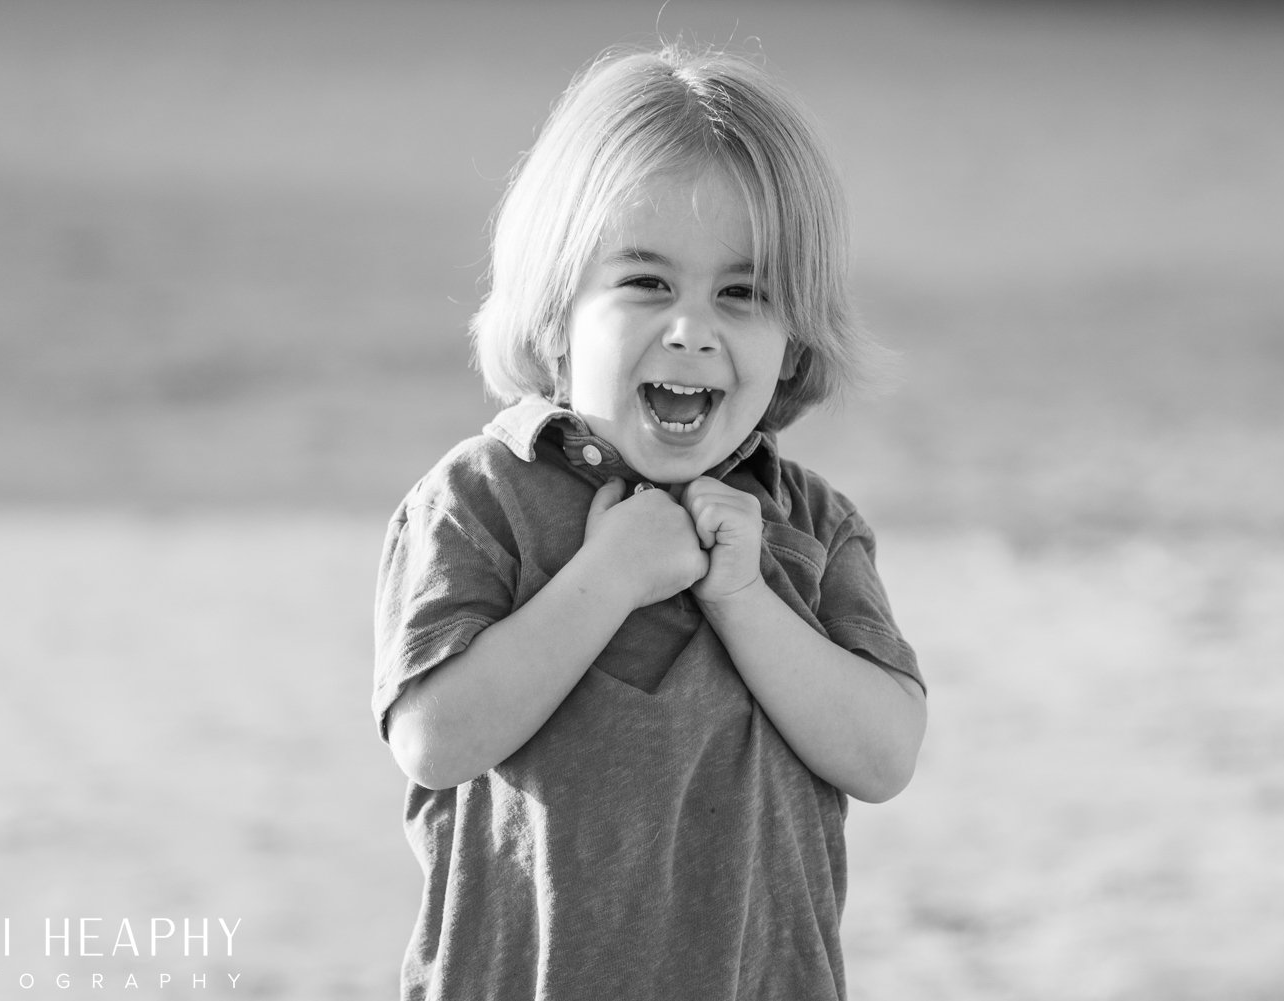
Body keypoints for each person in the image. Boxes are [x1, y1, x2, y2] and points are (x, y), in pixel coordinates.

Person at [373, 42, 927, 1001]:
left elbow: (883, 755)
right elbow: (435, 738)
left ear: (794, 339)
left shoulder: (812, 527)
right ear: (556, 310)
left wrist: (747, 598)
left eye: (743, 294)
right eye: (645, 283)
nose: (692, 327)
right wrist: (606, 579)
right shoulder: (480, 498)